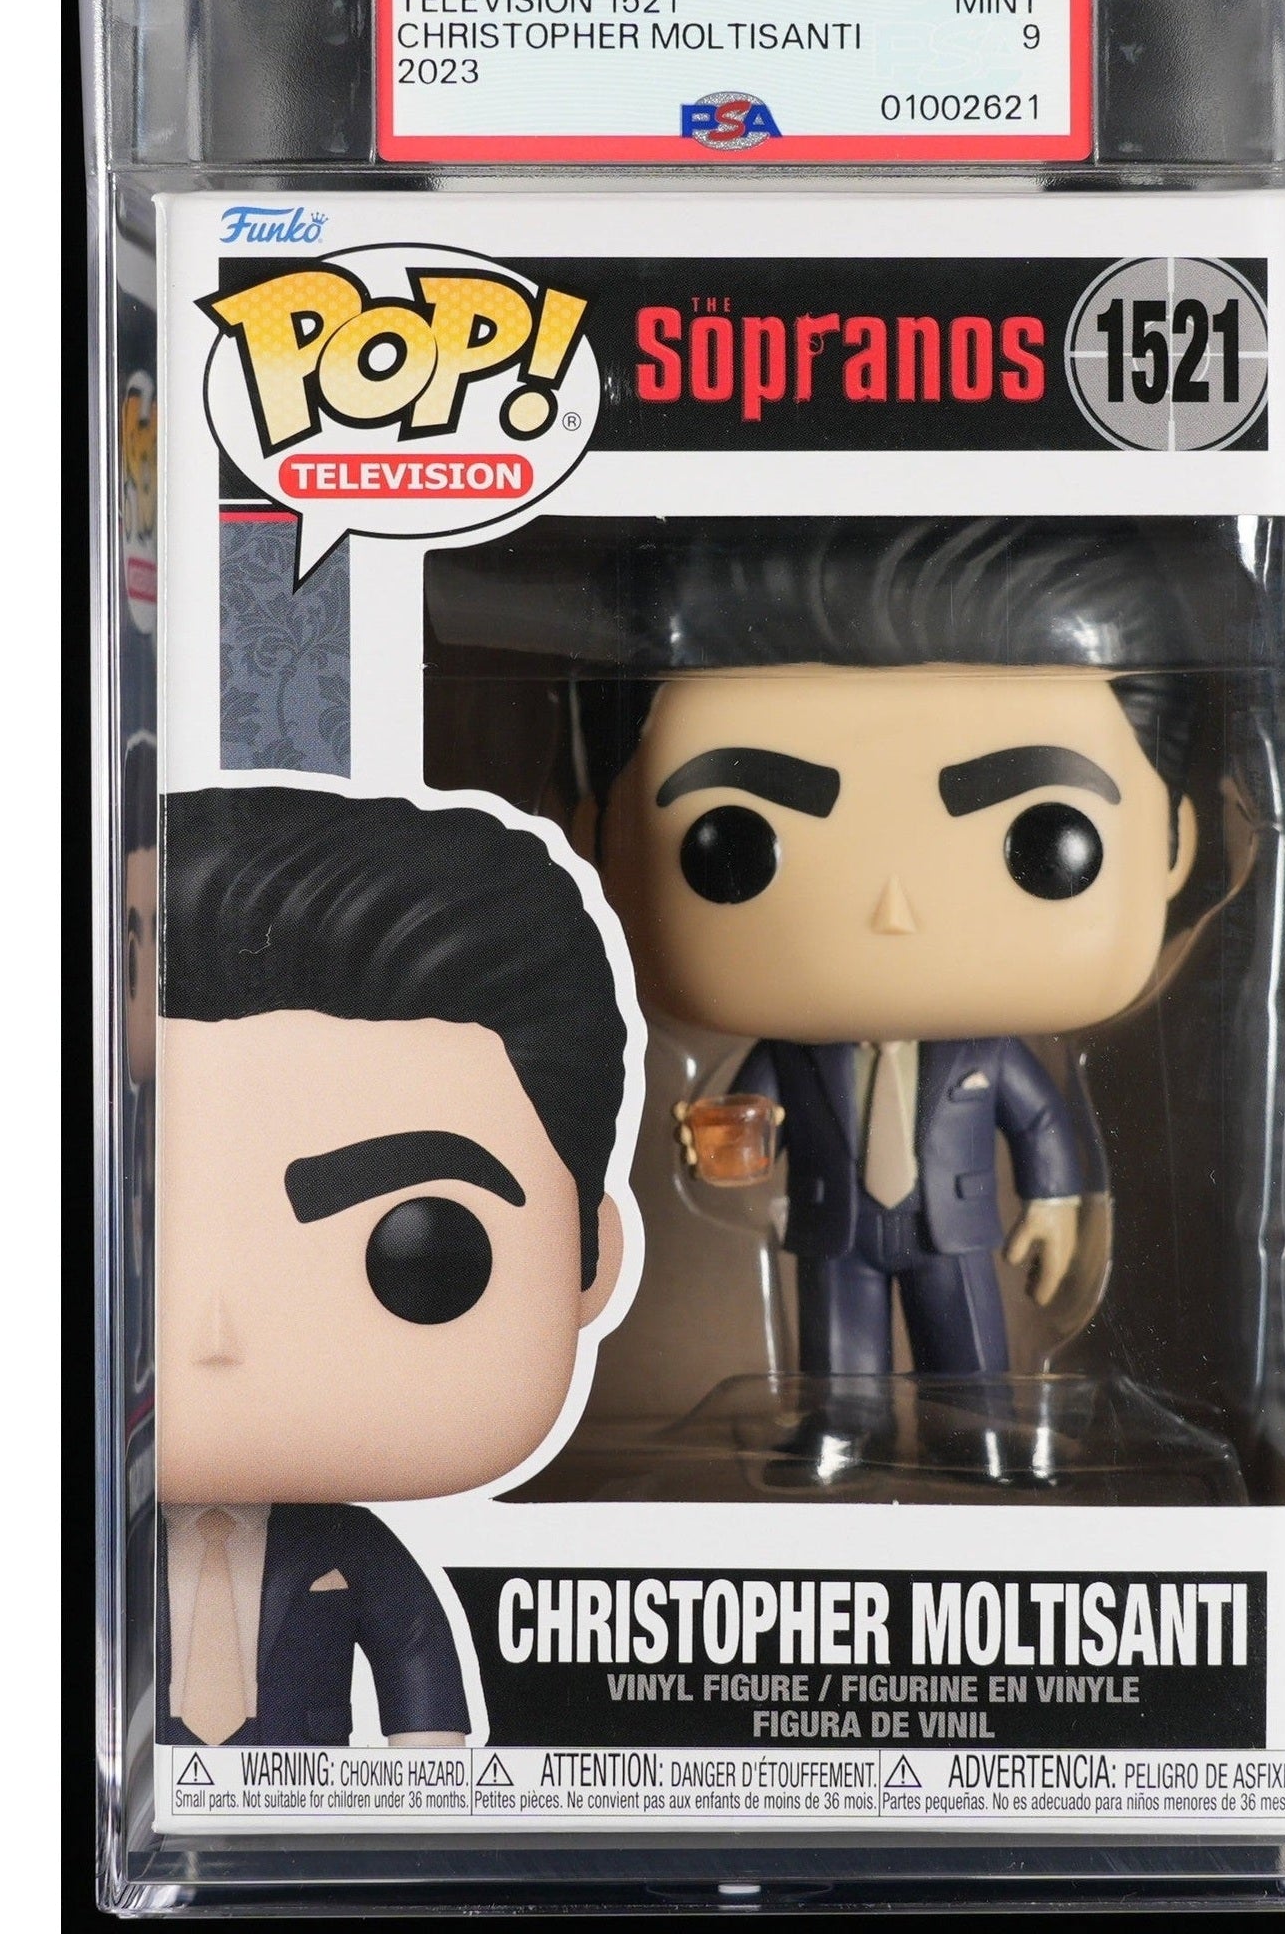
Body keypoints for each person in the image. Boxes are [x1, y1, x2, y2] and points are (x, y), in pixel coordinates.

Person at [427, 515, 1213, 1485]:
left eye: (1044, 841)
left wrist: (1057, 1199)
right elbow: (749, 1109)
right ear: (593, 839)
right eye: (730, 844)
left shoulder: (988, 1057)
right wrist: (721, 1143)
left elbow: (1040, 1120)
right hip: (830, 1223)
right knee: (837, 1337)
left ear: (1172, 844)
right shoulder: (796, 1054)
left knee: (961, 1328)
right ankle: (843, 1423)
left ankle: (976, 1429)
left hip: (953, 1227)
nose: (894, 907)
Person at [156, 785, 630, 1742]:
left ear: (590, 1262)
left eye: (422, 1253)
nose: (215, 1331)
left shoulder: (351, 1547)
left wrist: (428, 1769)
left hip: (318, 1817)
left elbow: (416, 1655)